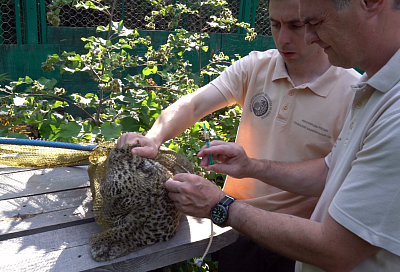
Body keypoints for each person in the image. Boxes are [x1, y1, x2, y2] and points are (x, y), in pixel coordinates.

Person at [118, 0, 360, 270]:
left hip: (295, 240)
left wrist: (251, 168)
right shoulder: (256, 66)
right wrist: (154, 137)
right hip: (233, 224)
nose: (283, 38)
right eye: (275, 24)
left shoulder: (354, 93)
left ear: (318, 23)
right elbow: (194, 104)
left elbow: (332, 173)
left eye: (296, 26)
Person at [163, 0, 400, 270]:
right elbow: (329, 171)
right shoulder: (373, 90)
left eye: (315, 23)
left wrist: (221, 206)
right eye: (276, 25)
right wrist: (251, 167)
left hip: (289, 240)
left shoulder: (383, 105)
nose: (311, 37)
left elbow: (338, 249)